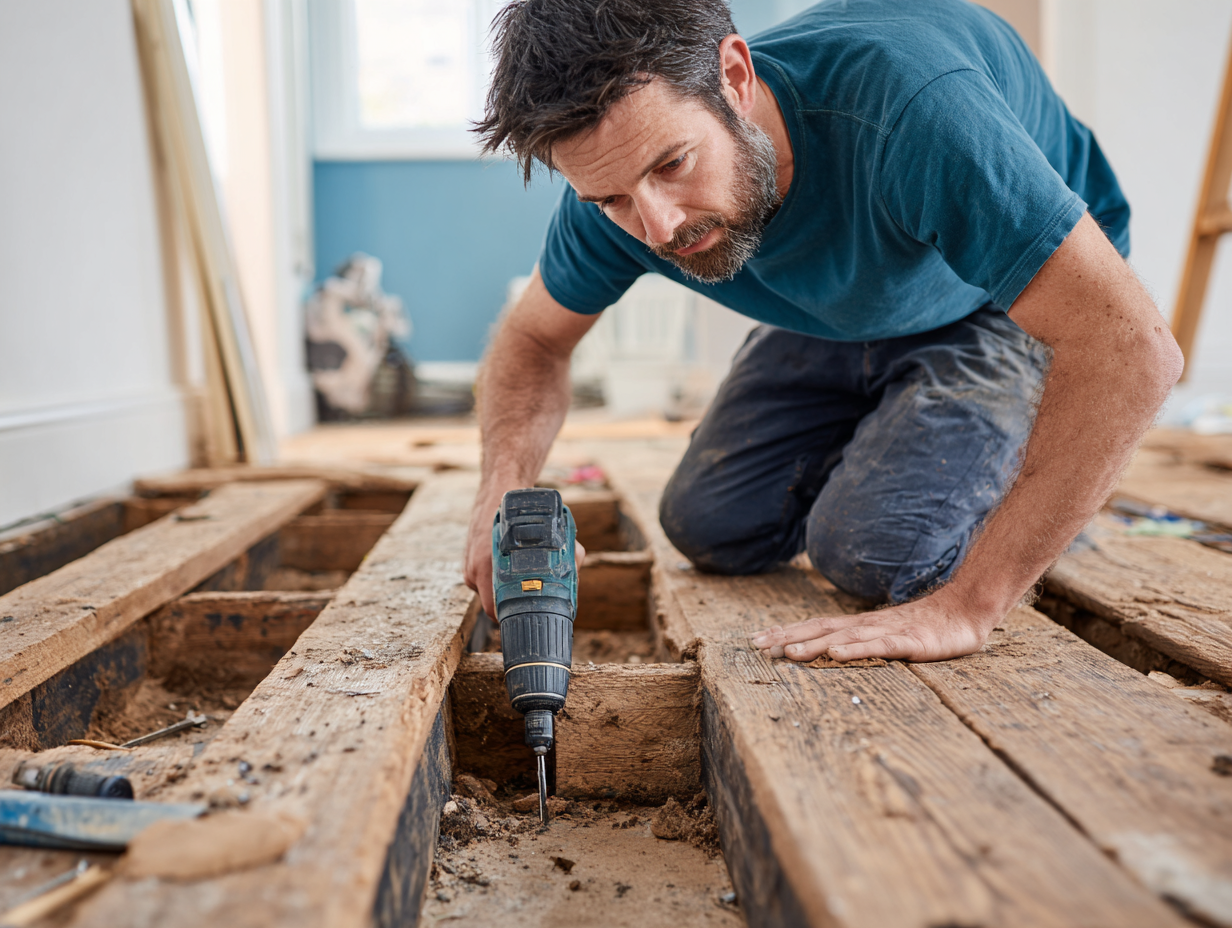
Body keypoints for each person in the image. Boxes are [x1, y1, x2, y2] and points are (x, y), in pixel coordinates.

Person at [462, 0, 1182, 664]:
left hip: (995, 294)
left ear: (735, 77)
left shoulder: (915, 110)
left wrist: (968, 607)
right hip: (858, 301)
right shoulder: (619, 186)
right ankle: (903, 406)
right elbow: (533, 339)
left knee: (880, 550)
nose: (658, 227)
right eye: (611, 199)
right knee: (712, 523)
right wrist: (500, 488)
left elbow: (1133, 349)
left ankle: (1032, 478)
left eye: (673, 165)